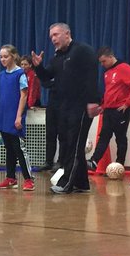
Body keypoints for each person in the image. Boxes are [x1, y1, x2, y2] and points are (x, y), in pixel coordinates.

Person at [31, 22, 99, 194]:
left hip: (81, 106)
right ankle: (82, 183)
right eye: (51, 36)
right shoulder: (57, 58)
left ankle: (65, 183)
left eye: (56, 35)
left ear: (67, 33)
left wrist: (93, 100)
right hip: (64, 107)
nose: (53, 39)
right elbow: (47, 78)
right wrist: (38, 67)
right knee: (69, 144)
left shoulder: (82, 51)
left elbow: (92, 75)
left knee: (73, 146)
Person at [89, 47, 130, 168]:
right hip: (109, 110)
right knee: (104, 136)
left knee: (120, 137)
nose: (102, 65)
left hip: (120, 110)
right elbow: (110, 92)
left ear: (110, 57)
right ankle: (94, 161)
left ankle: (119, 165)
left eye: (104, 61)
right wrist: (103, 105)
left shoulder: (124, 68)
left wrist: (127, 103)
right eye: (100, 62)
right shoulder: (107, 73)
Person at [0, 45, 34, 190]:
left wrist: (18, 117)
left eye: (6, 56)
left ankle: (29, 179)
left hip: (15, 117)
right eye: (1, 57)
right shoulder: (1, 75)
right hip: (3, 116)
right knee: (9, 148)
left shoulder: (20, 74)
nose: (3, 59)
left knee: (19, 149)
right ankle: (10, 178)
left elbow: (24, 96)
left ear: (13, 56)